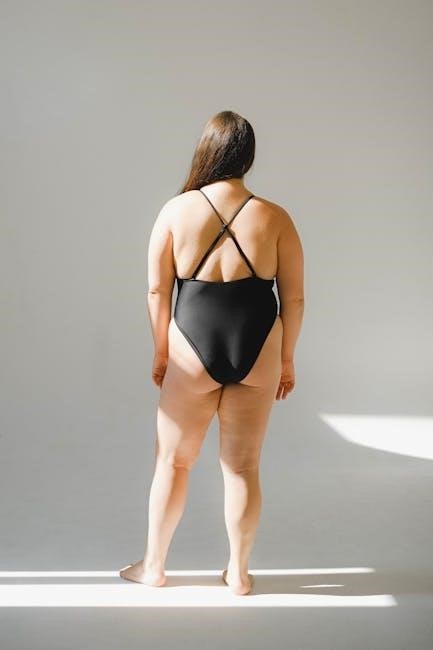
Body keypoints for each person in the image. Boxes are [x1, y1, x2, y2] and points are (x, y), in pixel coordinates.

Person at [120, 110, 304, 595]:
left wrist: (161, 352)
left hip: (191, 344)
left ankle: (154, 566)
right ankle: (239, 573)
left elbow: (157, 291)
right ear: (248, 156)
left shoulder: (175, 211)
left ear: (207, 151)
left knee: (172, 463)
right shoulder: (275, 217)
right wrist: (287, 359)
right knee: (242, 467)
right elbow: (294, 299)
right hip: (259, 346)